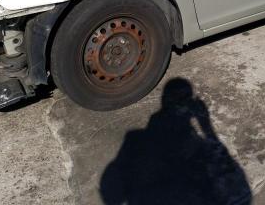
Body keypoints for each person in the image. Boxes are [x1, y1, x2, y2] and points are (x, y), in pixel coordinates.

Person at [100, 78, 252, 204]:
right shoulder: (197, 151)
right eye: (181, 101)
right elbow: (237, 190)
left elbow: (112, 192)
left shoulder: (135, 141)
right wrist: (206, 127)